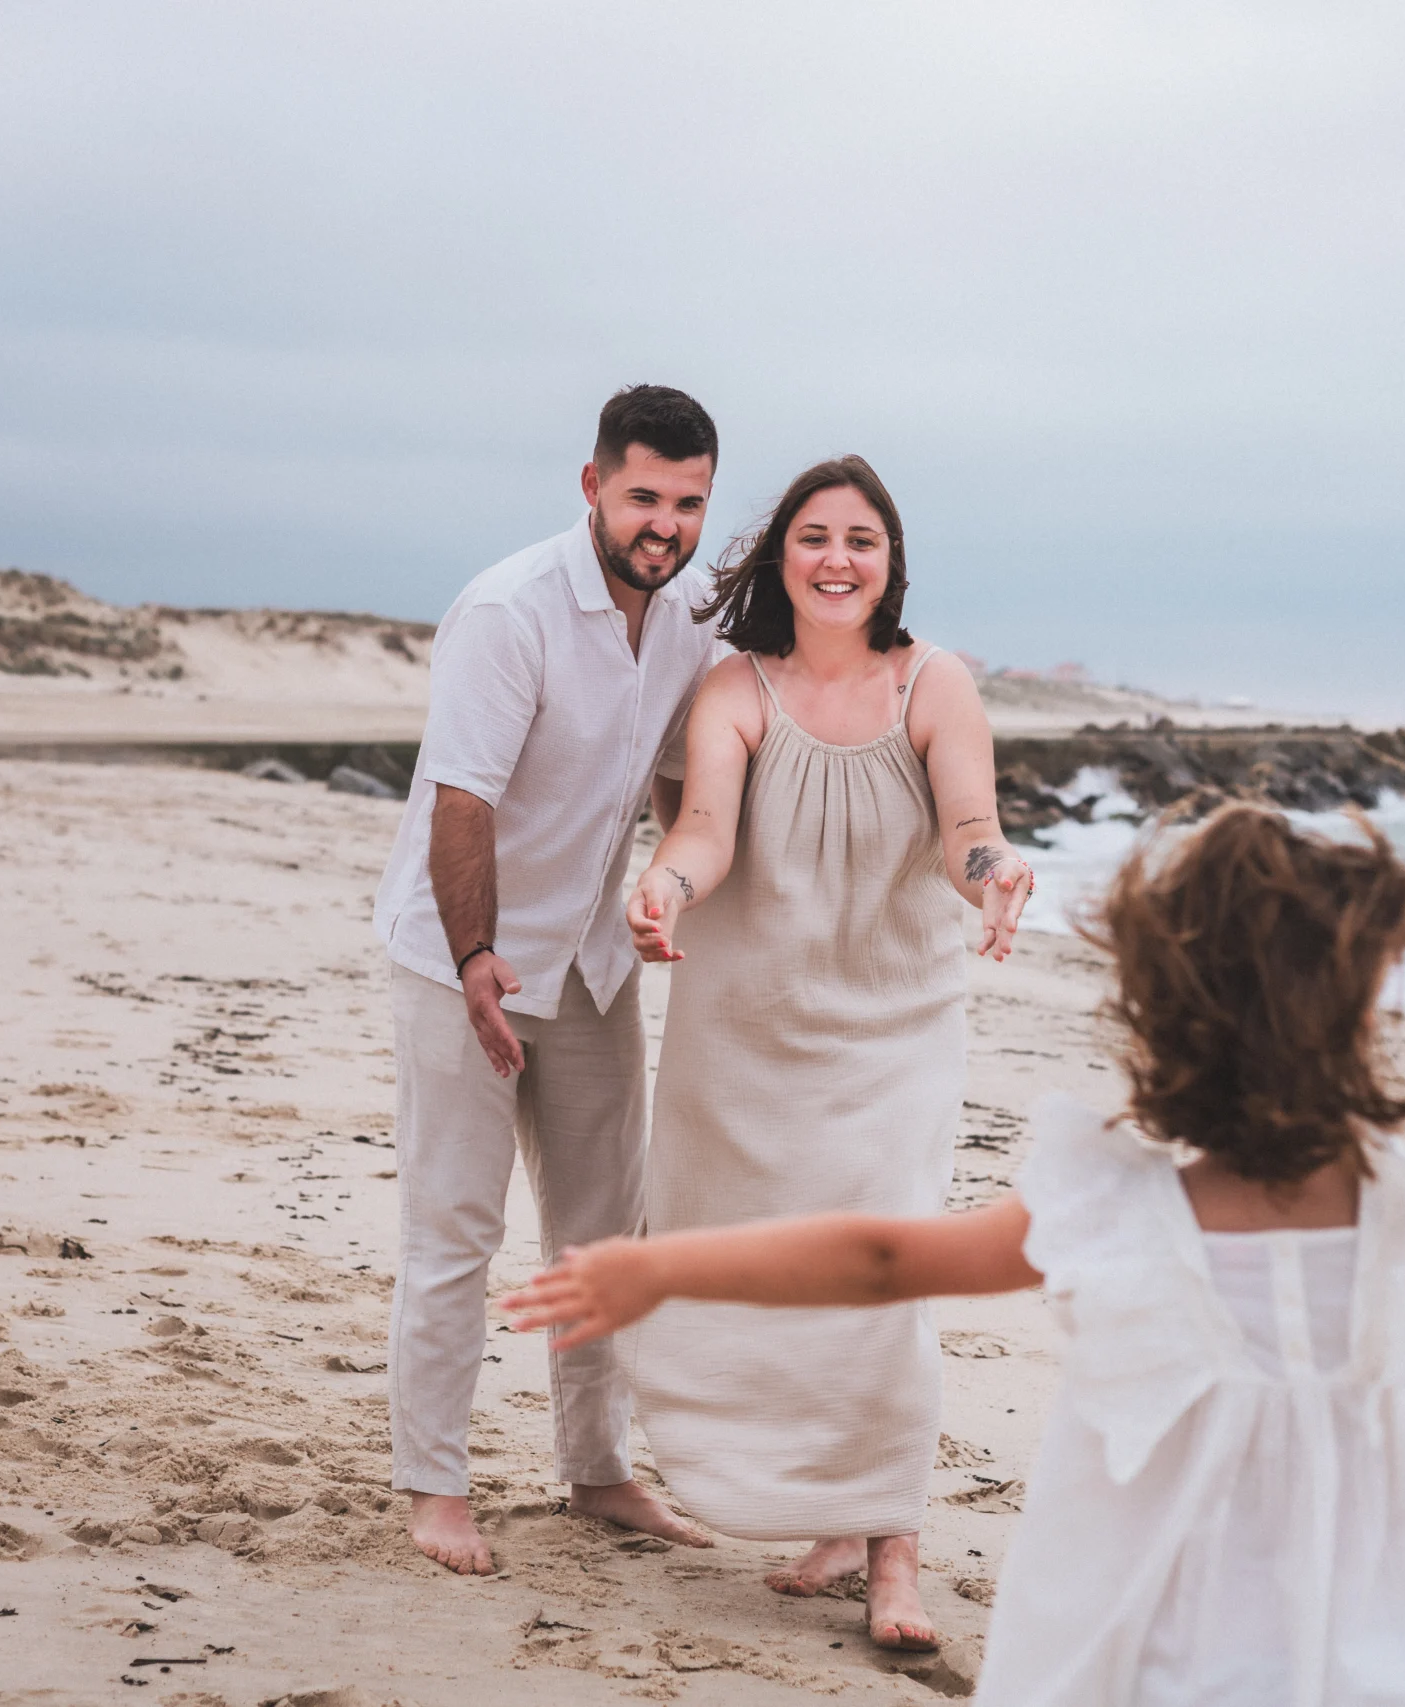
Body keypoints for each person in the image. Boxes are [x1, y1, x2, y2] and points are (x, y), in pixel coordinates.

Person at [508, 805, 1405, 1703]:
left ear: (1163, 1005)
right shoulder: (1397, 1197)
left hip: (1142, 1633)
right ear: (1355, 1009)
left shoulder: (1102, 1195)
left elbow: (879, 1256)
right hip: (1363, 1629)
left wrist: (667, 1265)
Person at [617, 455, 1036, 1650]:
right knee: (763, 1270)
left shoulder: (932, 681)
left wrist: (996, 875)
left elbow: (968, 830)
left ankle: (892, 1549)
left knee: (880, 1277)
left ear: (890, 562)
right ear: (781, 557)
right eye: (814, 537)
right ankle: (833, 1518)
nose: (837, 559)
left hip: (892, 1035)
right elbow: (703, 830)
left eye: (861, 539)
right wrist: (664, 890)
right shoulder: (736, 687)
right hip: (744, 1036)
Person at [370, 384, 725, 1575]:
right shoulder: (508, 611)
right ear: (592, 488)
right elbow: (460, 796)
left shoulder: (685, 631)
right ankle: (435, 1486)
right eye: (641, 498)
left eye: (684, 504)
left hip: (591, 966)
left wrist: (674, 884)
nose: (661, 526)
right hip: (456, 958)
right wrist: (475, 959)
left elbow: (683, 786)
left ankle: (597, 1470)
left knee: (599, 1235)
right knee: (455, 1232)